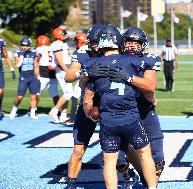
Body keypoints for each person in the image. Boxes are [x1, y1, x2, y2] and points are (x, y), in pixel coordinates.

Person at [83, 24, 157, 189]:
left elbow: (87, 98)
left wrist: (90, 114)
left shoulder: (93, 65)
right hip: (131, 118)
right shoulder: (132, 60)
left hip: (108, 120)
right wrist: (151, 99)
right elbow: (148, 85)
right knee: (145, 154)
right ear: (118, 41)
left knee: (109, 161)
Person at [112, 26, 164, 188]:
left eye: (137, 42)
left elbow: (149, 87)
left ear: (143, 44)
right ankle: (131, 175)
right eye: (129, 42)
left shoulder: (149, 59)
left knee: (157, 158)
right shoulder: (113, 59)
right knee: (118, 158)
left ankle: (151, 185)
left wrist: (150, 96)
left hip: (143, 108)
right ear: (122, 43)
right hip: (120, 110)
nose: (133, 45)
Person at [64, 25, 103, 189]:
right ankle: (71, 183)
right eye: (93, 41)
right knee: (78, 149)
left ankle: (128, 175)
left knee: (122, 147)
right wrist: (83, 73)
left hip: (112, 104)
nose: (96, 45)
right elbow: (68, 77)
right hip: (88, 104)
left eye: (99, 41)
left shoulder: (114, 53)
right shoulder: (82, 53)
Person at [9, 37, 40, 119]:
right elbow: (18, 65)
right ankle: (14, 110)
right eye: (22, 45)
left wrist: (38, 76)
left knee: (34, 95)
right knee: (20, 96)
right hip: (23, 77)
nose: (24, 47)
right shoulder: (18, 53)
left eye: (26, 45)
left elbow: (36, 65)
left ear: (29, 46)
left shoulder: (33, 53)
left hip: (32, 77)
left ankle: (33, 112)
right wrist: (22, 55)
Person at [49, 27, 73, 125]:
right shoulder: (56, 44)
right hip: (62, 70)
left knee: (66, 93)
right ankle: (54, 111)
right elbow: (60, 61)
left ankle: (63, 116)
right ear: (59, 35)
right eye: (63, 33)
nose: (65, 35)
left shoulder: (63, 44)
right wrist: (68, 72)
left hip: (66, 69)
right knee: (68, 93)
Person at [34, 35, 59, 106]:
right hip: (53, 71)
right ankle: (57, 111)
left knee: (37, 92)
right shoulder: (51, 48)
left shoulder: (40, 49)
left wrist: (37, 74)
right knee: (54, 93)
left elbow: (36, 61)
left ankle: (33, 109)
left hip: (44, 71)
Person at [70, 32, 88, 121]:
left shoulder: (81, 52)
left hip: (89, 79)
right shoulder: (78, 52)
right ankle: (73, 117)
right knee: (75, 96)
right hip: (82, 78)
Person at [0, 38, 15, 118]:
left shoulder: (1, 42)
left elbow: (6, 56)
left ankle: (0, 106)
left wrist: (12, 69)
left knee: (1, 91)